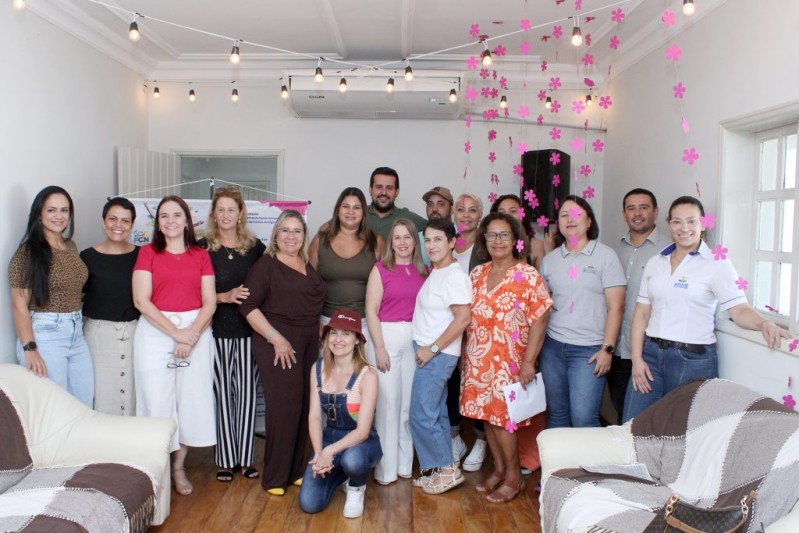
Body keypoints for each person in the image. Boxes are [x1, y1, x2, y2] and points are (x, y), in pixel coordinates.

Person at [623, 196, 790, 422]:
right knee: (632, 424)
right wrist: (636, 358)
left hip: (692, 360)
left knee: (684, 430)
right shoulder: (656, 262)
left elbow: (739, 309)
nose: (684, 228)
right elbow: (641, 313)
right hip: (651, 356)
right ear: (669, 224)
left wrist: (764, 323)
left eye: (691, 221)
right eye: (677, 221)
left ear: (703, 224)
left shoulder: (717, 263)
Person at [463, 213, 552, 503]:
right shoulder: (477, 274)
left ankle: (515, 477)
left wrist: (529, 361)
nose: (498, 240)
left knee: (505, 420)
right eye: (492, 235)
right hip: (479, 358)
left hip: (510, 361)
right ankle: (499, 469)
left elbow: (540, 318)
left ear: (515, 240)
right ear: (484, 240)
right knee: (488, 418)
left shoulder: (527, 275)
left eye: (504, 235)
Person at [132, 195, 217, 496]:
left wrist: (190, 335)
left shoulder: (201, 255)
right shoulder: (147, 253)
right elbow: (141, 300)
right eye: (164, 216)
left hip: (197, 332)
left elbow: (209, 302)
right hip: (156, 332)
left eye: (177, 215)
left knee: (189, 402)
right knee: (157, 402)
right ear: (157, 223)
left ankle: (179, 468)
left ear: (187, 221)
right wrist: (176, 334)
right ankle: (158, 469)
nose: (171, 221)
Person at [240, 210, 326, 495]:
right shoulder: (266, 266)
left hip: (308, 342)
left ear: (304, 236)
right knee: (284, 408)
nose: (291, 236)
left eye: (297, 231)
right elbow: (248, 306)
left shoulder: (306, 264)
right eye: (285, 230)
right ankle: (275, 477)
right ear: (275, 235)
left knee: (304, 405)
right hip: (277, 343)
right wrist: (275, 338)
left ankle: (296, 470)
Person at [539, 195, 626, 428]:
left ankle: (588, 457)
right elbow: (543, 307)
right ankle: (558, 455)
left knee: (583, 418)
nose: (570, 219)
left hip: (589, 350)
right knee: (557, 414)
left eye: (576, 214)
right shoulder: (550, 260)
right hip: (553, 348)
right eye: (564, 215)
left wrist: (607, 349)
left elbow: (616, 307)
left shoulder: (606, 256)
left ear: (589, 222)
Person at [199, 187, 266, 482]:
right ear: (214, 214)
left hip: (250, 331)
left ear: (240, 214)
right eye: (221, 209)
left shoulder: (254, 248)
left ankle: (246, 459)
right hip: (216, 332)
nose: (226, 215)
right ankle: (226, 460)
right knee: (223, 396)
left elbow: (267, 284)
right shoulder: (202, 248)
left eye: (231, 209)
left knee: (248, 397)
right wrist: (223, 297)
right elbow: (192, 292)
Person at [9, 186, 93, 407]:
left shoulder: (70, 246)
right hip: (46, 334)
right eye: (51, 210)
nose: (59, 216)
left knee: (83, 404)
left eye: (64, 210)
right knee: (56, 407)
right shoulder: (27, 254)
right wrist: (30, 349)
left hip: (76, 333)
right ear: (39, 214)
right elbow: (19, 304)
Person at [298, 309, 382, 519]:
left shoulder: (368, 375)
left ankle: (356, 487)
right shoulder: (317, 369)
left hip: (361, 443)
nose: (338, 339)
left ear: (357, 340)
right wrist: (319, 453)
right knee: (309, 503)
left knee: (353, 460)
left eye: (346, 334)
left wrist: (330, 451)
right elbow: (314, 417)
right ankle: (341, 474)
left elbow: (362, 431)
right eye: (333, 333)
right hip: (329, 439)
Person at [410, 218, 472, 495]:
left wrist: (432, 349)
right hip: (432, 354)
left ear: (451, 242)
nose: (432, 245)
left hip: (437, 356)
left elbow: (463, 319)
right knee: (435, 415)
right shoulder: (438, 272)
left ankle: (447, 471)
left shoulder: (454, 276)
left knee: (421, 414)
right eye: (428, 240)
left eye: (438, 239)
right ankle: (439, 469)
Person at [364, 219, 427, 485]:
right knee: (387, 404)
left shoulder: (425, 272)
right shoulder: (381, 269)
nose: (402, 242)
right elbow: (371, 311)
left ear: (415, 242)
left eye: (407, 237)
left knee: (407, 406)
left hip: (414, 338)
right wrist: (379, 348)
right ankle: (385, 470)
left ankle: (404, 465)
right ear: (391, 242)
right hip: (385, 337)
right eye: (397, 237)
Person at [609, 188, 669, 424]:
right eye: (631, 208)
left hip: (648, 350)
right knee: (621, 409)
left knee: (644, 417)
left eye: (644, 207)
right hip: (616, 347)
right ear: (624, 214)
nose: (637, 213)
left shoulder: (669, 250)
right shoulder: (615, 251)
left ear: (656, 212)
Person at [81, 197, 140, 415]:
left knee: (133, 394)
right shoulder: (87, 256)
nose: (118, 225)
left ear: (133, 224)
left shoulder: (142, 255)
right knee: (102, 394)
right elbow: (79, 295)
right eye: (113, 219)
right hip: (99, 336)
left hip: (135, 333)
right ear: (103, 221)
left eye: (125, 221)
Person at [309, 187, 384, 337]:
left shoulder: (377, 242)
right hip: (327, 322)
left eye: (356, 207)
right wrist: (314, 321)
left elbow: (387, 285)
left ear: (364, 212)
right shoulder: (320, 240)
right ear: (338, 210)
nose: (351, 212)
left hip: (365, 323)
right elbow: (308, 284)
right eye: (346, 206)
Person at [448, 192, 485, 470]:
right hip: (448, 326)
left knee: (478, 384)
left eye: (472, 210)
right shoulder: (446, 244)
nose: (466, 215)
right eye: (461, 209)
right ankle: (454, 437)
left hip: (478, 328)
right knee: (449, 383)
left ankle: (481, 440)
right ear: (454, 214)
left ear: (480, 216)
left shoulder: (486, 248)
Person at [366, 166, 426, 240]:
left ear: (397, 192)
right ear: (370, 190)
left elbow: (435, 228)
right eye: (379, 187)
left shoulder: (407, 217)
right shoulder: (359, 214)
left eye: (389, 188)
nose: (384, 192)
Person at [490, 194, 547, 270]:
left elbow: (542, 276)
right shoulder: (490, 243)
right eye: (501, 212)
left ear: (522, 216)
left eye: (513, 211)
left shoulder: (536, 245)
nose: (507, 216)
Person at [419, 186, 454, 266]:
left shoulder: (460, 235)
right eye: (430, 204)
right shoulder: (416, 239)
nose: (434, 209)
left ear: (452, 209)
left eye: (441, 204)